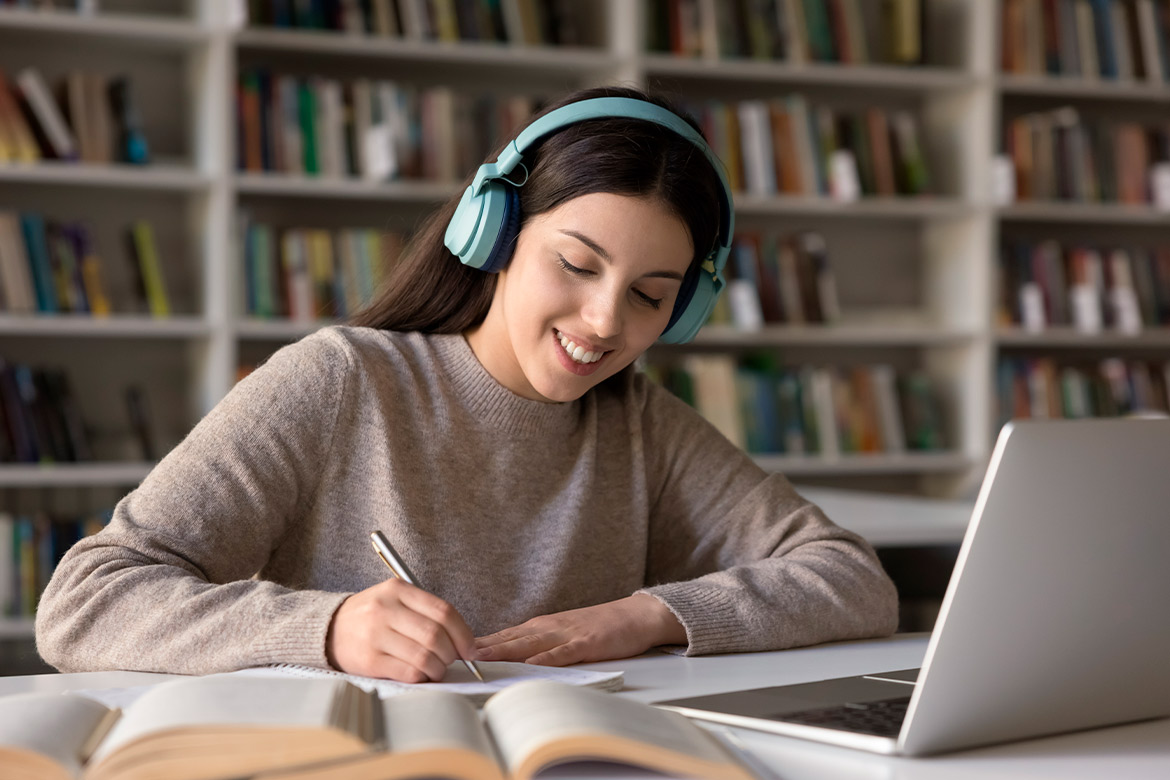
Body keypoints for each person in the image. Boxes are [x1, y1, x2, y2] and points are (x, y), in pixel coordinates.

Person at [36, 86, 898, 683]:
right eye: (576, 265)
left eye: (648, 297)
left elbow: (852, 579)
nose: (603, 323)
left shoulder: (640, 424)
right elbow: (84, 601)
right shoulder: (342, 380)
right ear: (494, 233)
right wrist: (326, 630)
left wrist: (644, 616)